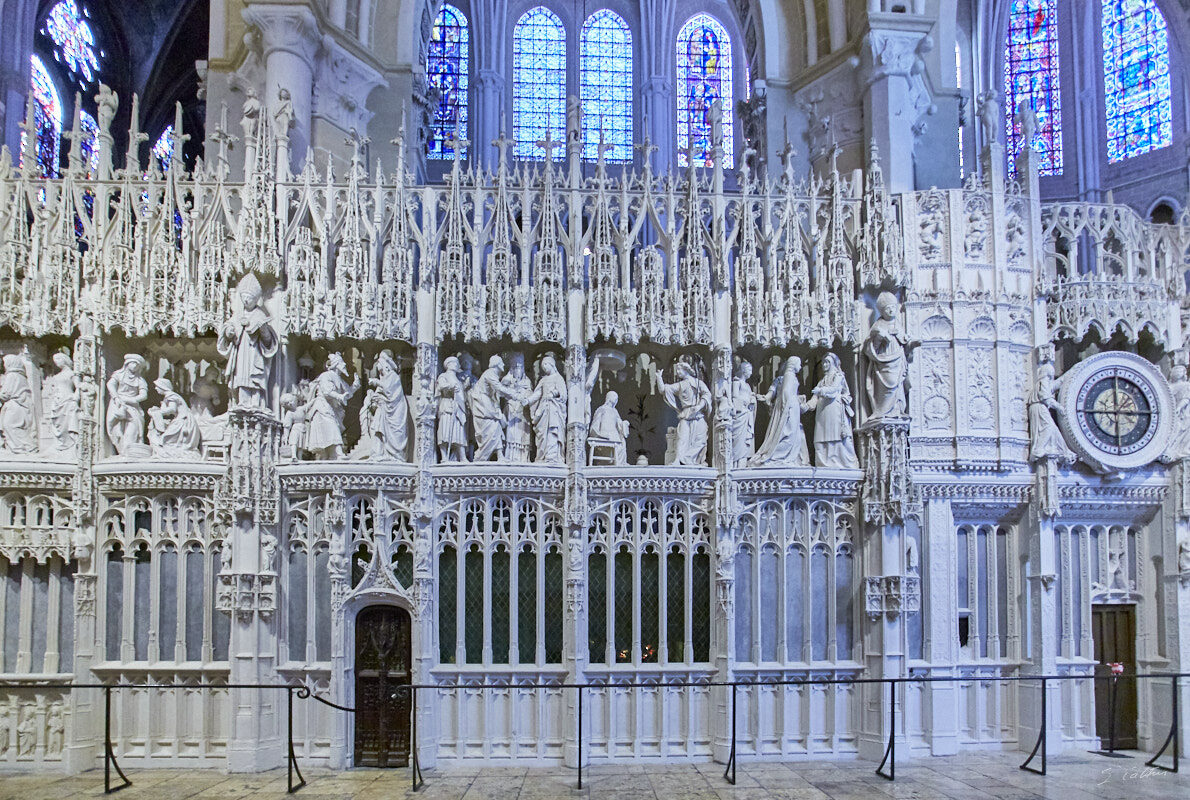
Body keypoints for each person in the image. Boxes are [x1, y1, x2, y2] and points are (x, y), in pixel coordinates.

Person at [217, 273, 278, 410]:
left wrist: (264, 331)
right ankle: (243, 402)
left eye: (249, 298)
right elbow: (227, 329)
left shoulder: (260, 315)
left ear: (256, 299)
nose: (246, 300)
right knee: (241, 376)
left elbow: (269, 343)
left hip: (254, 352)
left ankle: (257, 402)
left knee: (255, 377)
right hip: (241, 353)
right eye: (244, 297)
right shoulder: (237, 315)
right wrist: (229, 332)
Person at [750, 357, 810, 467]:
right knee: (786, 432)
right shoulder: (784, 378)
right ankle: (778, 456)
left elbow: (791, 393)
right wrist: (767, 398)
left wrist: (799, 398)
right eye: (799, 364)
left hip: (791, 407)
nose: (800, 367)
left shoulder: (791, 376)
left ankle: (797, 459)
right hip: (786, 406)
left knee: (795, 434)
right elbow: (780, 392)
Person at [655, 361, 712, 466]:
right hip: (686, 414)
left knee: (701, 439)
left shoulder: (698, 382)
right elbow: (663, 390)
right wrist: (659, 378)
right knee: (682, 438)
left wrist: (699, 406)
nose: (677, 372)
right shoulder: (680, 385)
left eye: (679, 370)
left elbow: (707, 394)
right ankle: (678, 460)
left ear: (686, 370)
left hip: (698, 414)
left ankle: (690, 459)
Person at [863, 292, 909, 419]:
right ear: (882, 311)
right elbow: (870, 348)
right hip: (883, 361)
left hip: (897, 360)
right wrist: (879, 337)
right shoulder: (878, 325)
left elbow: (904, 343)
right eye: (888, 308)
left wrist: (912, 343)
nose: (891, 310)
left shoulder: (898, 324)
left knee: (897, 385)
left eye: (893, 307)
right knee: (888, 385)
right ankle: (881, 411)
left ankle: (897, 410)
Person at [807, 353, 859, 469]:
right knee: (821, 436)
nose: (824, 365)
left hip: (835, 410)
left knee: (836, 435)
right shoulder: (821, 381)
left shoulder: (838, 376)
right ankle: (823, 462)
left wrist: (820, 391)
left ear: (834, 363)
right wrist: (806, 405)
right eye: (823, 362)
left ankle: (843, 462)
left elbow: (834, 389)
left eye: (827, 362)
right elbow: (814, 398)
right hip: (822, 412)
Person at [305, 354, 359, 460]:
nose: (344, 365)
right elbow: (326, 391)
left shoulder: (339, 379)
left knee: (331, 429)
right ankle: (338, 453)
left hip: (332, 408)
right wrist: (339, 396)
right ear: (336, 364)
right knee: (332, 428)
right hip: (322, 407)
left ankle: (331, 455)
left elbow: (347, 394)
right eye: (341, 363)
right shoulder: (326, 375)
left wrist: (355, 386)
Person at [363, 350, 410, 461]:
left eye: (379, 363)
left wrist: (377, 382)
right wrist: (374, 401)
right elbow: (378, 394)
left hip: (394, 412)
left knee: (389, 433)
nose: (377, 366)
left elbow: (389, 391)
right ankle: (377, 453)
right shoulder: (383, 379)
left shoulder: (393, 376)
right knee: (377, 429)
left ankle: (394, 455)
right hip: (382, 409)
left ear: (385, 365)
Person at [1028, 356, 1075, 463]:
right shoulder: (1043, 381)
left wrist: (1071, 372)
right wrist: (1059, 407)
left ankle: (1065, 452)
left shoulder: (1044, 382)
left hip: (1040, 407)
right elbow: (1045, 397)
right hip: (1039, 407)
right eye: (1051, 372)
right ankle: (1038, 449)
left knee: (1054, 429)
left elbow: (1057, 384)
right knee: (1048, 427)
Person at [471, 356, 515, 462]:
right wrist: (514, 394)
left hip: (489, 404)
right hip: (483, 406)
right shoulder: (489, 373)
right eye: (502, 363)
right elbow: (498, 388)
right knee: (490, 429)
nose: (503, 365)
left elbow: (498, 391)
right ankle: (480, 456)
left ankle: (500, 456)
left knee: (496, 428)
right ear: (497, 364)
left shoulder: (493, 375)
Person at [527, 354, 567, 464]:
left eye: (545, 364)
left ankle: (552, 456)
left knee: (552, 432)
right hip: (543, 409)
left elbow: (563, 394)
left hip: (554, 409)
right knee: (542, 434)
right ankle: (542, 456)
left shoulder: (558, 378)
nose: (544, 367)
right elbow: (537, 394)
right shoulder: (543, 380)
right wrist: (528, 400)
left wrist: (554, 393)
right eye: (542, 366)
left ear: (552, 365)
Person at [106, 354, 149, 456]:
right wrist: (116, 397)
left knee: (135, 425)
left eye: (137, 365)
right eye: (133, 363)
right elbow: (110, 384)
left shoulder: (140, 380)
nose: (135, 366)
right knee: (115, 427)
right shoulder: (119, 375)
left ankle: (128, 451)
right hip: (118, 403)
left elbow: (144, 395)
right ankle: (121, 450)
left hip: (132, 406)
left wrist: (132, 400)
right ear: (127, 364)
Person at [147, 377, 201, 458]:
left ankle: (169, 453)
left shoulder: (171, 396)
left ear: (162, 387)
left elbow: (172, 409)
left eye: (157, 386)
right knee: (166, 437)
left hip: (183, 420)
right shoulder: (168, 397)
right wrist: (157, 410)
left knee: (166, 438)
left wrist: (158, 412)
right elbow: (165, 410)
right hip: (180, 419)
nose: (155, 388)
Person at [43, 352, 79, 453]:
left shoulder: (72, 374)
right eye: (55, 360)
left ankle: (69, 444)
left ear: (65, 359)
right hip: (57, 401)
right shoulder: (57, 375)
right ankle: (60, 444)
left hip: (67, 399)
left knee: (66, 421)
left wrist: (75, 398)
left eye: (58, 359)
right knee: (57, 422)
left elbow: (78, 387)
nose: (56, 362)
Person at [0, 353, 36, 454]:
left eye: (5, 363)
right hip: (20, 405)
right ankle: (23, 447)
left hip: (14, 406)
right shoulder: (21, 376)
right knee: (14, 426)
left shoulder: (11, 375)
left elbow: (5, 394)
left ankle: (21, 448)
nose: (4, 366)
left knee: (9, 425)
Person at [435, 357, 468, 463]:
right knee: (445, 431)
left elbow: (461, 395)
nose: (456, 365)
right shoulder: (443, 376)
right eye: (454, 363)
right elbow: (441, 386)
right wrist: (450, 387)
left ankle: (462, 457)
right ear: (448, 365)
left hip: (457, 408)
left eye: (457, 363)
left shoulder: (458, 379)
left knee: (458, 433)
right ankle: (444, 456)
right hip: (447, 406)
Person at [501, 353, 532, 463]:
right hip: (511, 411)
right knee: (511, 433)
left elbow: (530, 394)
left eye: (520, 367)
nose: (518, 370)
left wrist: (524, 396)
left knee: (523, 434)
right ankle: (510, 456)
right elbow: (501, 390)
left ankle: (523, 457)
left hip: (523, 412)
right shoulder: (508, 380)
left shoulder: (527, 381)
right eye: (515, 367)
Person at [728, 362, 757, 468]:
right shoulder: (737, 382)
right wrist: (747, 400)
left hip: (747, 414)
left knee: (745, 441)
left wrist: (752, 398)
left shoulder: (748, 385)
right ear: (744, 370)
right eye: (749, 370)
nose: (751, 373)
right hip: (740, 414)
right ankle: (735, 465)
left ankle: (742, 464)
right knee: (738, 441)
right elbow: (735, 397)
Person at [588, 391, 629, 465]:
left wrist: (624, 423)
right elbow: (596, 423)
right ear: (609, 397)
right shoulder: (602, 409)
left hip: (614, 434)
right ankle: (613, 462)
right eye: (614, 396)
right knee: (615, 440)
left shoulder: (615, 411)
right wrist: (598, 434)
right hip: (605, 433)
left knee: (622, 441)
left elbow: (619, 423)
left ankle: (620, 463)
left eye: (617, 398)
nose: (616, 399)